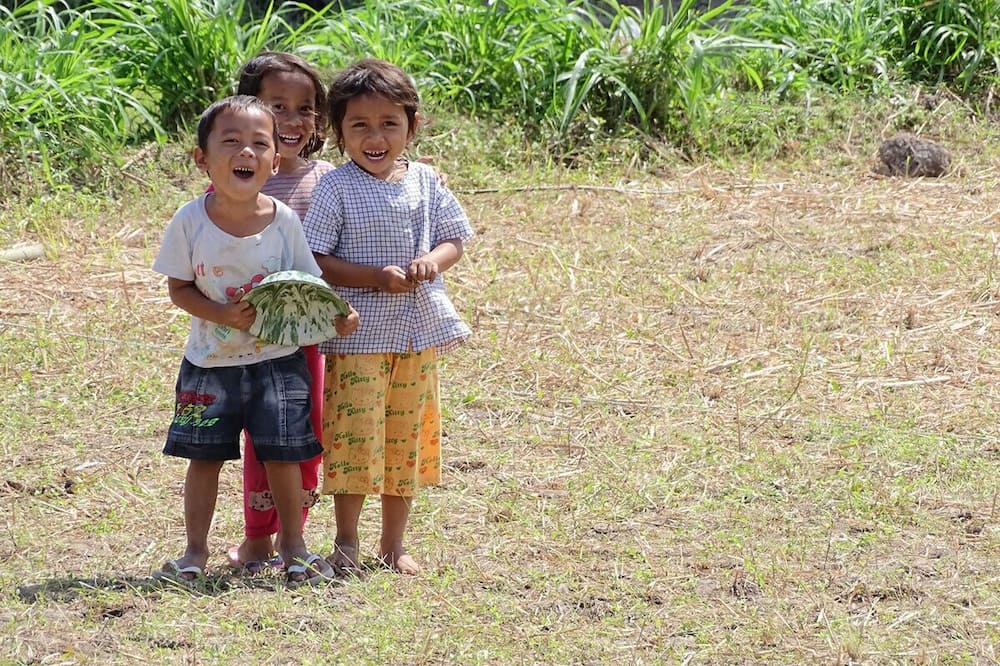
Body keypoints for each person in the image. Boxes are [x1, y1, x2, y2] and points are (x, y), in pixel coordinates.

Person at [152, 95, 355, 586]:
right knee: (204, 458)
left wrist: (337, 314)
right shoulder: (190, 220)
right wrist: (219, 312)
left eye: (259, 144)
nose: (247, 152)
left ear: (274, 159)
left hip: (279, 363)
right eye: (232, 142)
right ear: (202, 158)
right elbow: (178, 287)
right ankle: (194, 552)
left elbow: (308, 285)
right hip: (209, 363)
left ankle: (294, 548)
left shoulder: (284, 220)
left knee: (284, 454)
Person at [302, 58, 473, 575]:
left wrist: (432, 261)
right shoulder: (336, 188)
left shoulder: (425, 181)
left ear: (412, 126)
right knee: (354, 442)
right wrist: (375, 277)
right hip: (358, 338)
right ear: (339, 133)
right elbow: (316, 257)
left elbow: (454, 240)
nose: (375, 137)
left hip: (417, 335)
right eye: (359, 125)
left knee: (405, 441)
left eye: (389, 124)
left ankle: (394, 545)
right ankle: (347, 541)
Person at [225, 51, 339, 574]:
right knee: (260, 440)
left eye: (305, 108)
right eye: (278, 107)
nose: (293, 121)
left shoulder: (332, 179)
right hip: (252, 338)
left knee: (306, 436)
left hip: (316, 336)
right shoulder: (239, 178)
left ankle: (295, 534)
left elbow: (383, 173)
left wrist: (420, 170)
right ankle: (257, 538)